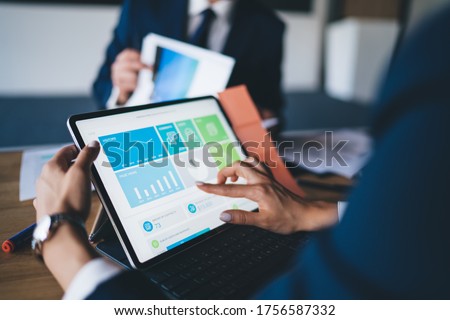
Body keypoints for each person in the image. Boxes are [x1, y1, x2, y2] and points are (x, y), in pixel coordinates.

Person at [33, 5, 450, 299]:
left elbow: (273, 109)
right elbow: (101, 92)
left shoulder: (266, 25)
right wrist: (116, 86)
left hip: (227, 159)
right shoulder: (142, 5)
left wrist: (56, 231)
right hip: (143, 151)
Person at [93, 0, 285, 121]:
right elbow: (101, 87)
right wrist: (121, 92)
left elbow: (271, 105)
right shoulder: (141, 6)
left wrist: (261, 116)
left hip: (217, 151)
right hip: (148, 136)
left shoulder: (268, 26)